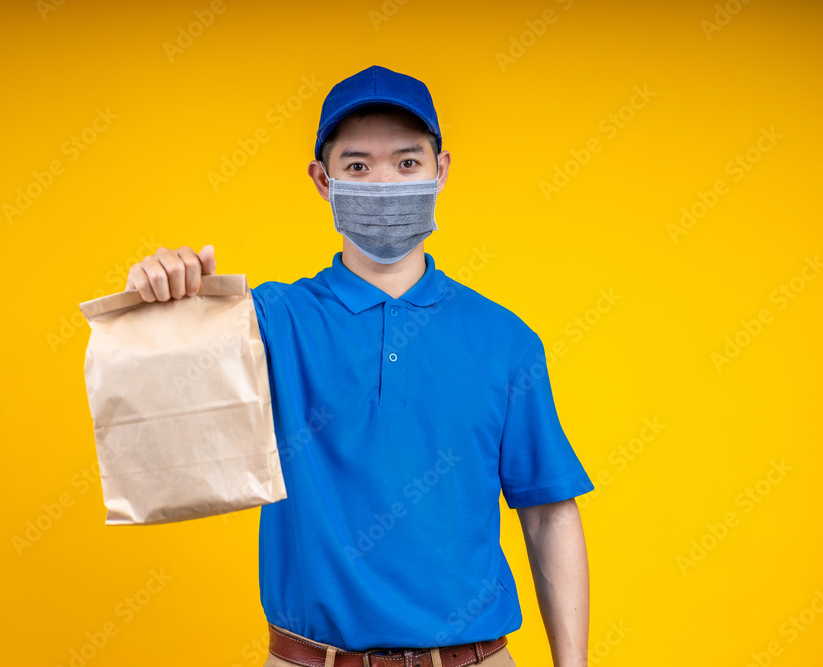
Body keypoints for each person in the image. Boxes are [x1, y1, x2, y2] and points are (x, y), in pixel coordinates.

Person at [125, 65, 593, 667]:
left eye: (406, 163)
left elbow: (549, 511)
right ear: (323, 181)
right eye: (356, 166)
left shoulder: (505, 338)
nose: (383, 182)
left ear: (440, 171)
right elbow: (160, 419)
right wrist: (158, 297)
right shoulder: (264, 321)